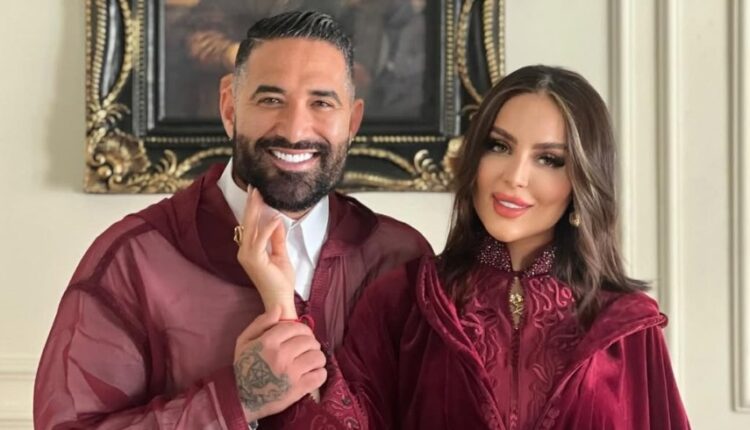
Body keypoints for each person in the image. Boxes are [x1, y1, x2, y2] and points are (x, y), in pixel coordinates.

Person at [34, 11, 431, 429]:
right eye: (271, 100)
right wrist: (238, 399)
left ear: (352, 122)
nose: (295, 130)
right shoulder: (133, 259)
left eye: (321, 102)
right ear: (228, 106)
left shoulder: (401, 260)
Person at [239, 65, 691, 429]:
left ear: (582, 182)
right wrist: (281, 303)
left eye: (549, 159)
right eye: (499, 146)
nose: (514, 176)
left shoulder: (624, 327)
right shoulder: (405, 302)